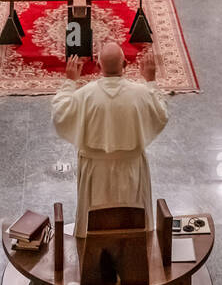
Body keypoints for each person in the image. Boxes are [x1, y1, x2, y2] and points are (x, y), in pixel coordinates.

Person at [51, 41, 169, 236]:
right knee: (132, 225)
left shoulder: (85, 95)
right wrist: (151, 80)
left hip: (95, 172)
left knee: (95, 225)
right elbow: (161, 113)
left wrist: (70, 81)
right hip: (131, 170)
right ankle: (134, 251)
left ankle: (92, 255)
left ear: (98, 66)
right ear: (125, 65)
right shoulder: (141, 94)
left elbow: (60, 113)